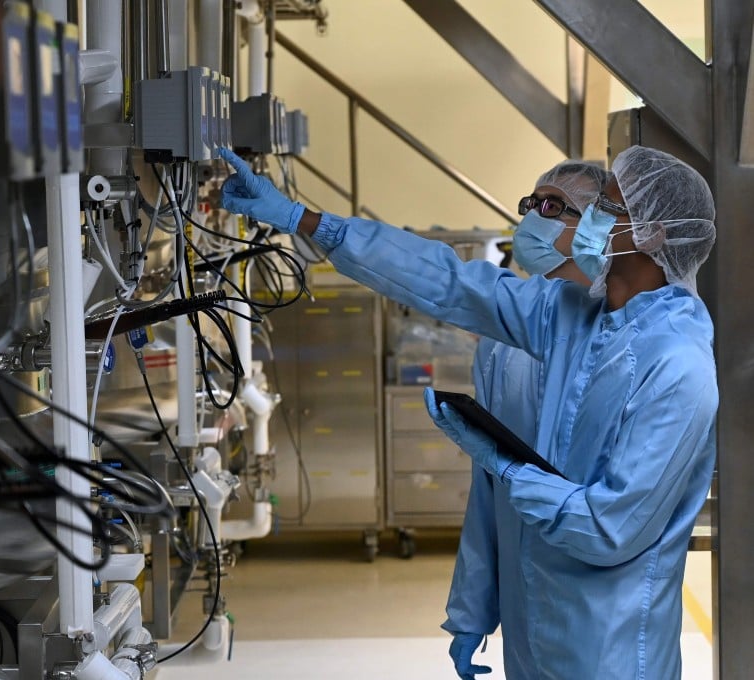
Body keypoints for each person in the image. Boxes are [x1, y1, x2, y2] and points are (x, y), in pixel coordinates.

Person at [219, 145, 718, 680]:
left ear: (654, 235)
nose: (592, 219)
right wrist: (309, 221)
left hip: (613, 651)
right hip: (533, 631)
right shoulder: (574, 318)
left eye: (608, 208)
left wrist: (507, 467)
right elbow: (451, 283)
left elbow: (608, 529)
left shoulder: (677, 365)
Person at [443, 161, 611, 680]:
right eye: (531, 205)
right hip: (524, 605)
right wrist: (471, 611)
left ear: (599, 226)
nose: (533, 219)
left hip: (606, 608)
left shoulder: (629, 331)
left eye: (553, 207)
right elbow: (487, 488)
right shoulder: (503, 344)